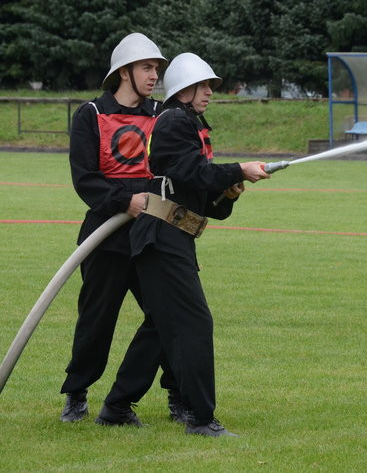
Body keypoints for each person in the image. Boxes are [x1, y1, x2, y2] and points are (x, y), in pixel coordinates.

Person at [103, 52, 270, 437]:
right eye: (205, 85)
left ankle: (115, 407)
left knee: (160, 327)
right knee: (195, 322)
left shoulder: (189, 124)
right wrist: (238, 169)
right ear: (185, 89)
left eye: (211, 86)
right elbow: (188, 172)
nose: (210, 92)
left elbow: (199, 193)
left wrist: (228, 192)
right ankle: (200, 418)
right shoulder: (175, 120)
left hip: (171, 234)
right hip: (161, 235)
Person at [61, 32, 175, 425]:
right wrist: (124, 201)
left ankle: (174, 395)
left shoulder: (162, 114)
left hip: (152, 236)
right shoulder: (90, 114)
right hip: (105, 237)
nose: (154, 75)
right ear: (124, 72)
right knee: (96, 321)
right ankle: (76, 394)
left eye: (157, 68)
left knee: (170, 316)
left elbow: (175, 169)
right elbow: (85, 178)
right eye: (147, 67)